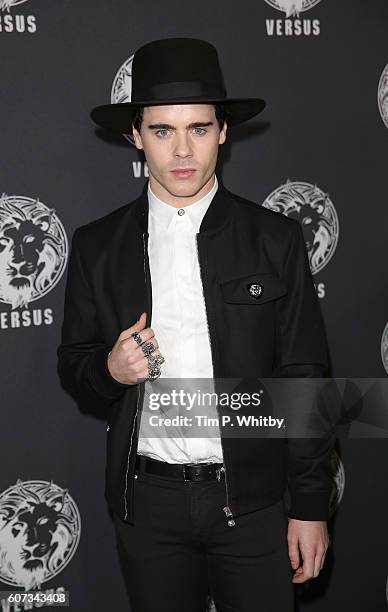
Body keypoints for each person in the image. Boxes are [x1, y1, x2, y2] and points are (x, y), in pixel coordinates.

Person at [57, 37, 334, 612]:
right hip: (148, 503)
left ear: (223, 132)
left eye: (199, 129)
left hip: (255, 503)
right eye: (162, 131)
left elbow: (304, 377)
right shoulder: (96, 246)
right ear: (135, 136)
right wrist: (110, 369)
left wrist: (309, 506)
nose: (183, 151)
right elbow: (75, 368)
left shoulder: (275, 239)